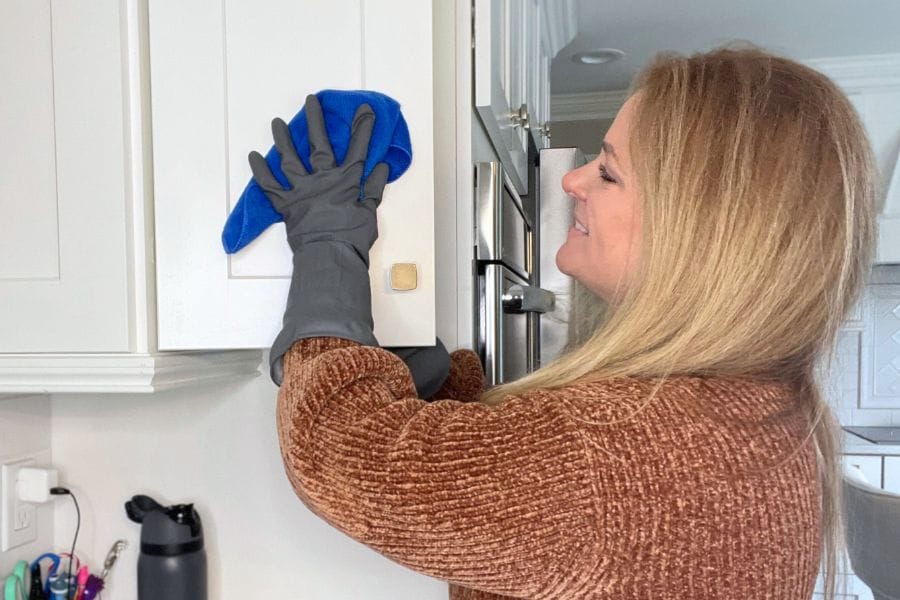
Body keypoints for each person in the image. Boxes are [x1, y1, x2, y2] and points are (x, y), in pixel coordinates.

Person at [248, 42, 876, 599]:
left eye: (607, 171)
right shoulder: (759, 408)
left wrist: (328, 244)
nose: (573, 179)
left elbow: (341, 453)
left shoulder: (618, 450)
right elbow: (551, 505)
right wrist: (445, 384)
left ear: (699, 232)